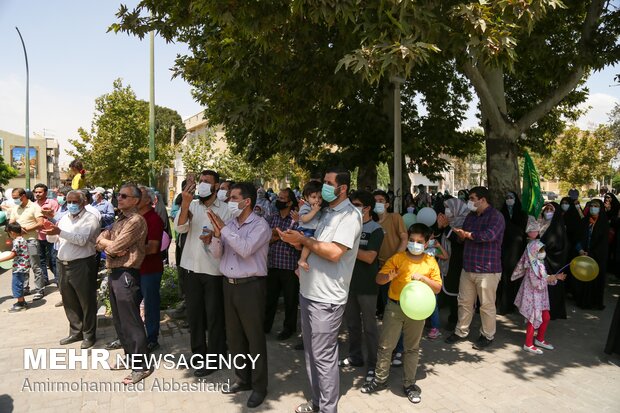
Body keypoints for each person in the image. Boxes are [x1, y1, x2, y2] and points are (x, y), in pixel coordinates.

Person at [278, 168, 362, 413]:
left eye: (328, 182)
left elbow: (335, 253)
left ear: (342, 188)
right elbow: (314, 243)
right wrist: (295, 239)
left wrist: (303, 241)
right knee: (312, 354)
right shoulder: (325, 212)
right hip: (309, 291)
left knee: (324, 357)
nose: (323, 186)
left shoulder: (350, 215)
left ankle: (327, 409)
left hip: (327, 297)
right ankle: (317, 402)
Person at [361, 223, 442, 404]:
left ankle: (409, 384)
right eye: (411, 240)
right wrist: (389, 277)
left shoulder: (430, 262)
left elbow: (437, 288)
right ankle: (380, 379)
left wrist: (424, 279)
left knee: (411, 348)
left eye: (419, 241)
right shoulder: (398, 258)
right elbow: (379, 279)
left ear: (427, 242)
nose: (414, 244)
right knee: (385, 346)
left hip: (417, 311)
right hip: (395, 308)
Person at [208, 182, 272, 409]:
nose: (230, 201)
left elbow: (245, 249)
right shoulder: (231, 225)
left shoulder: (260, 226)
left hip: (250, 287)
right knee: (234, 337)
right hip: (229, 285)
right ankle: (242, 379)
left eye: (234, 197)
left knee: (254, 338)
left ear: (247, 202)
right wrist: (216, 237)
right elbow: (218, 254)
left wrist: (223, 229)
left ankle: (259, 387)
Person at [174, 171, 232, 377]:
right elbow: (180, 228)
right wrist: (185, 204)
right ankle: (199, 354)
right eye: (201, 181)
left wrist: (216, 238)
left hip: (214, 271)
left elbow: (230, 239)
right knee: (195, 315)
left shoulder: (226, 210)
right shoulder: (193, 205)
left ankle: (216, 357)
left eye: (207, 182)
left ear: (216, 187)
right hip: (190, 268)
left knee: (215, 316)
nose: (202, 185)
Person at [96, 183, 151, 384]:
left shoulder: (136, 221)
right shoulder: (120, 220)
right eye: (119, 195)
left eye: (124, 196)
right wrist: (107, 245)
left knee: (131, 321)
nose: (119, 198)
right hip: (114, 272)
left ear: (135, 200)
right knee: (119, 320)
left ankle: (141, 366)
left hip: (127, 274)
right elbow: (99, 240)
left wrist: (108, 246)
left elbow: (115, 246)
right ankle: (130, 357)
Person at [445, 186, 505, 350]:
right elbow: (463, 239)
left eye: (472, 198)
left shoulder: (496, 216)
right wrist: (460, 236)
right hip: (468, 267)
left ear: (483, 200)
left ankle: (487, 335)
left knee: (486, 305)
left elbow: (489, 235)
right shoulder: (470, 216)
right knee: (464, 302)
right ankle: (460, 331)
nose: (469, 202)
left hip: (488, 270)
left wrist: (468, 235)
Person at [44, 190, 100, 349]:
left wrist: (59, 232)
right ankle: (76, 331)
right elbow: (54, 239)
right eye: (68, 202)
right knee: (69, 300)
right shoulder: (64, 218)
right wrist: (50, 230)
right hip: (63, 263)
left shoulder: (90, 218)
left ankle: (89, 335)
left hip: (82, 264)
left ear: (83, 202)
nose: (71, 205)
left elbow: (82, 240)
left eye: (74, 202)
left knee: (86, 301)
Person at [339, 190, 384, 383]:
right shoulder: (347, 226)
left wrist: (348, 247)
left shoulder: (375, 229)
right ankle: (355, 356)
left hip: (367, 286)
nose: (353, 208)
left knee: (370, 327)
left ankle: (373, 364)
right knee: (352, 325)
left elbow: (370, 257)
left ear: (367, 208)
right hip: (348, 284)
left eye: (356, 205)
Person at [511, 237, 566, 354]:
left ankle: (539, 339)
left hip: (540, 297)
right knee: (532, 319)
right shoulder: (532, 267)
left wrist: (554, 278)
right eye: (540, 251)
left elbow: (544, 278)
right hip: (533, 297)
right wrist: (553, 277)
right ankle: (528, 344)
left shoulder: (540, 264)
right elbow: (537, 284)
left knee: (546, 317)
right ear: (534, 252)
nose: (543, 253)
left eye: (542, 250)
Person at [373, 189, 408, 366]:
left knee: (395, 311)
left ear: (387, 204)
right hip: (375, 271)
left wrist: (395, 260)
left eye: (381, 200)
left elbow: (404, 238)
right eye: (375, 200)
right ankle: (385, 346)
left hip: (393, 271)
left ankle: (399, 349)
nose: (378, 203)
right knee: (382, 312)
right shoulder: (370, 221)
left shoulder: (395, 218)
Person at [264, 188, 300, 341]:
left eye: (283, 198)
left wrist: (278, 235)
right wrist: (282, 236)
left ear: (290, 202)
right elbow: (266, 238)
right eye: (278, 197)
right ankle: (265, 326)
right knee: (269, 299)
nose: (278, 200)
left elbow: (297, 241)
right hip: (273, 265)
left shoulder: (296, 220)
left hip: (290, 267)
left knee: (290, 301)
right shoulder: (272, 217)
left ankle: (289, 328)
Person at [137, 186, 165, 352]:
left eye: (138, 195)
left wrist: (128, 250)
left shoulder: (154, 219)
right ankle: (136, 336)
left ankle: (152, 338)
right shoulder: (132, 218)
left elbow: (153, 248)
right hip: (135, 269)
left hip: (150, 270)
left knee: (150, 305)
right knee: (132, 305)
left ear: (148, 200)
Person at [436, 198, 468, 329]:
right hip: (446, 262)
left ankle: (455, 320)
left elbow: (458, 240)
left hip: (458, 264)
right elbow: (439, 237)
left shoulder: (464, 223)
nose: (447, 211)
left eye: (449, 208)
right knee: (445, 291)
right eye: (446, 208)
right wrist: (441, 227)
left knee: (455, 293)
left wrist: (446, 227)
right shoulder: (447, 223)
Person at [9, 188, 45, 300]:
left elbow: (40, 223)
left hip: (31, 241)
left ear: (23, 196)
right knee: (22, 266)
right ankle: (25, 288)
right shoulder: (15, 208)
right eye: (13, 198)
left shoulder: (34, 207)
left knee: (35, 265)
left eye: (16, 197)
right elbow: (11, 223)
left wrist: (26, 229)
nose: (14, 200)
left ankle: (39, 289)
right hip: (19, 242)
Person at [574, 198, 609, 310]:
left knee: (596, 279)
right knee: (584, 278)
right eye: (592, 206)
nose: (593, 208)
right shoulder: (584, 221)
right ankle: (583, 301)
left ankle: (595, 302)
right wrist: (580, 250)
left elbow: (603, 242)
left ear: (600, 209)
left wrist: (592, 253)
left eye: (596, 206)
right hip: (583, 255)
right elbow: (577, 237)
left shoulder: (603, 223)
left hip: (597, 256)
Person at [497, 191, 527, 315]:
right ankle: (503, 304)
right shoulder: (501, 213)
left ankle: (515, 305)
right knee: (504, 277)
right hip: (503, 250)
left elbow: (524, 231)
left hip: (517, 250)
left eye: (511, 197)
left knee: (516, 276)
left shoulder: (521, 214)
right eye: (507, 197)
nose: (509, 199)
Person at [538, 202, 568, 319]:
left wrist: (544, 247)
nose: (548, 211)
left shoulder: (558, 226)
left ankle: (552, 312)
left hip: (553, 261)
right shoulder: (539, 222)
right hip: (540, 261)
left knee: (552, 286)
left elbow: (558, 245)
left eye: (551, 209)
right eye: (546, 209)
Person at [33, 183, 60, 286]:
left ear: (45, 192)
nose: (38, 194)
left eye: (40, 192)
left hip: (51, 236)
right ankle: (44, 280)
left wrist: (48, 215)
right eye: (36, 192)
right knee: (41, 259)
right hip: (38, 236)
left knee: (53, 259)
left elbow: (58, 218)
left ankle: (58, 280)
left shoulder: (53, 203)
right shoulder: (33, 205)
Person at [1, 223, 31, 312]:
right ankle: (22, 301)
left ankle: (20, 303)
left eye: (9, 233)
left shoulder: (17, 241)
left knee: (16, 284)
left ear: (12, 232)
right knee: (20, 284)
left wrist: (1, 260)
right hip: (24, 266)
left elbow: (13, 254)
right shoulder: (23, 239)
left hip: (19, 267)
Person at [296, 180, 323, 271]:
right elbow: (303, 219)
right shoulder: (306, 207)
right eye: (314, 197)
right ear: (307, 198)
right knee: (311, 241)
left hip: (311, 230)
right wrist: (314, 211)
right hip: (305, 229)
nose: (317, 200)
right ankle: (302, 260)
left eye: (320, 197)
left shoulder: (318, 208)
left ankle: (300, 267)